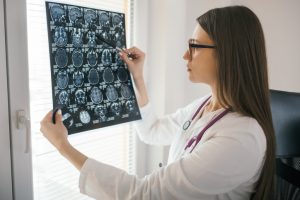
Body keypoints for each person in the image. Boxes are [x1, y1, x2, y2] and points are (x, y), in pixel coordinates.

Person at [40, 5, 275, 200]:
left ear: (227, 53)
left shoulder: (242, 138)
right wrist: (138, 78)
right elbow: (152, 131)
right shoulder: (207, 105)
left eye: (194, 46)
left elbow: (143, 194)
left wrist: (63, 147)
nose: (185, 55)